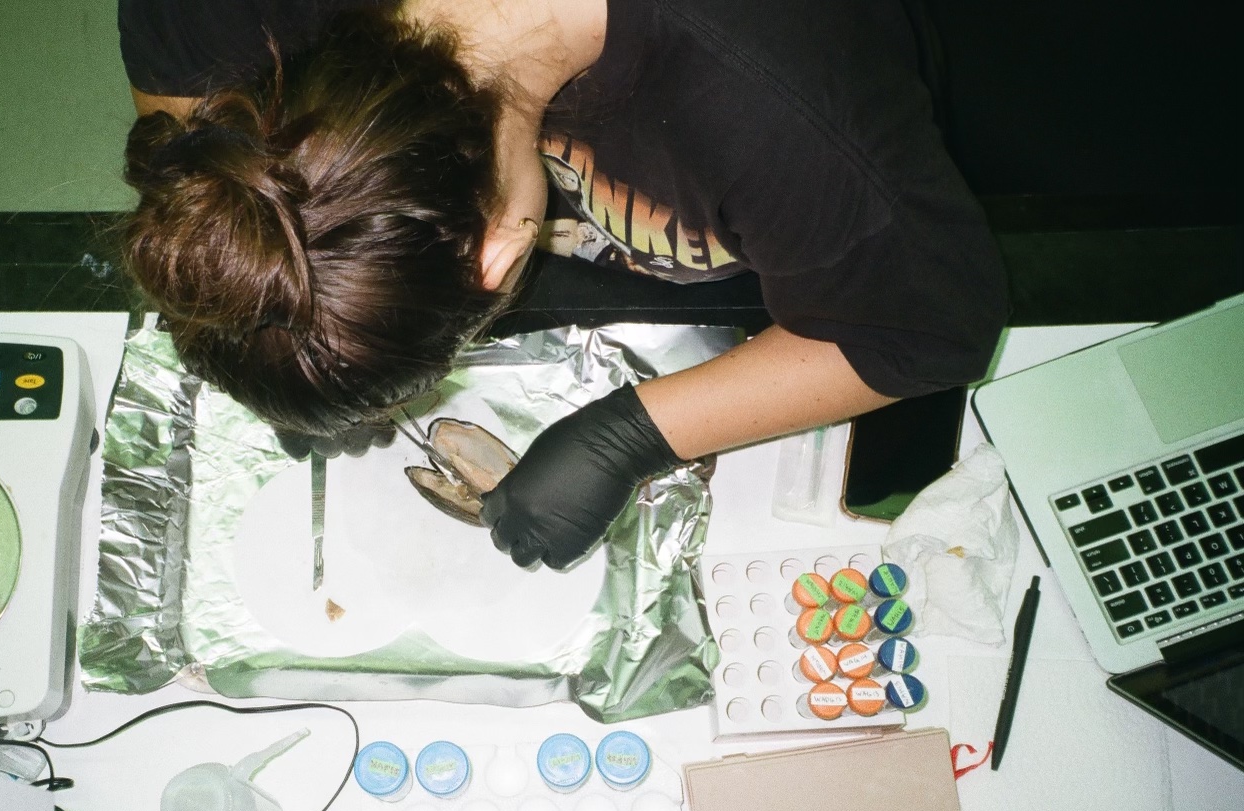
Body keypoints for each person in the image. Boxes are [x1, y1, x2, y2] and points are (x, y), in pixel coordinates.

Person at [118, 0, 1007, 570]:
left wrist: (632, 435)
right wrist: (274, 327)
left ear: (502, 253)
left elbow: (927, 330)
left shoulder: (789, 123)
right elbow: (180, 130)